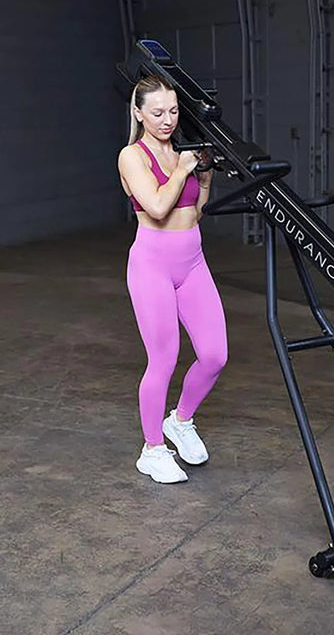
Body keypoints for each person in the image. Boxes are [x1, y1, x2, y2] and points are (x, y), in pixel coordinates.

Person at [118, 74, 228, 484]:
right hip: (152, 265)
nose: (168, 120)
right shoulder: (132, 156)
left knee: (215, 354)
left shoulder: (182, 150)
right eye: (158, 112)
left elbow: (193, 213)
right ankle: (152, 450)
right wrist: (183, 169)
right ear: (139, 113)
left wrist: (204, 179)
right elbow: (159, 207)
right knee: (162, 360)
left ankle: (180, 421)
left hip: (193, 261)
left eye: (174, 111)